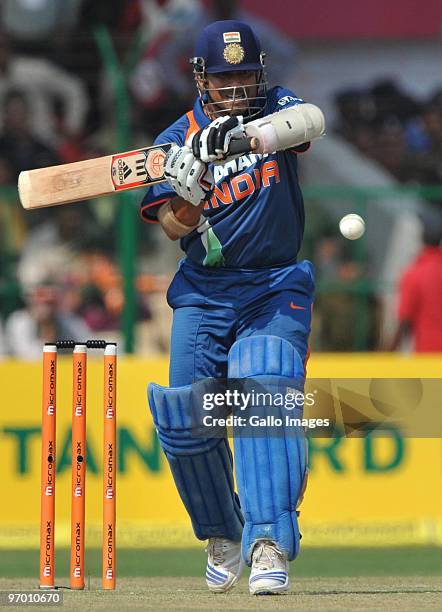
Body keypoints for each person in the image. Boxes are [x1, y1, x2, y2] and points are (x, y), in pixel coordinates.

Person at [140, 20, 325, 595]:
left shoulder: (277, 106)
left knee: (265, 383)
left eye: (246, 74)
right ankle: (224, 531)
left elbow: (311, 122)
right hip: (205, 290)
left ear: (261, 72)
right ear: (201, 80)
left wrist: (244, 141)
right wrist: (191, 193)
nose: (239, 86)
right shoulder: (175, 138)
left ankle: (268, 542)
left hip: (274, 284)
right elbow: (171, 226)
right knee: (184, 418)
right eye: (226, 78)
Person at [388, 211, 442, 352]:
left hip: (429, 356)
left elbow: (405, 321)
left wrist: (387, 354)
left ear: (422, 237)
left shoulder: (415, 273)